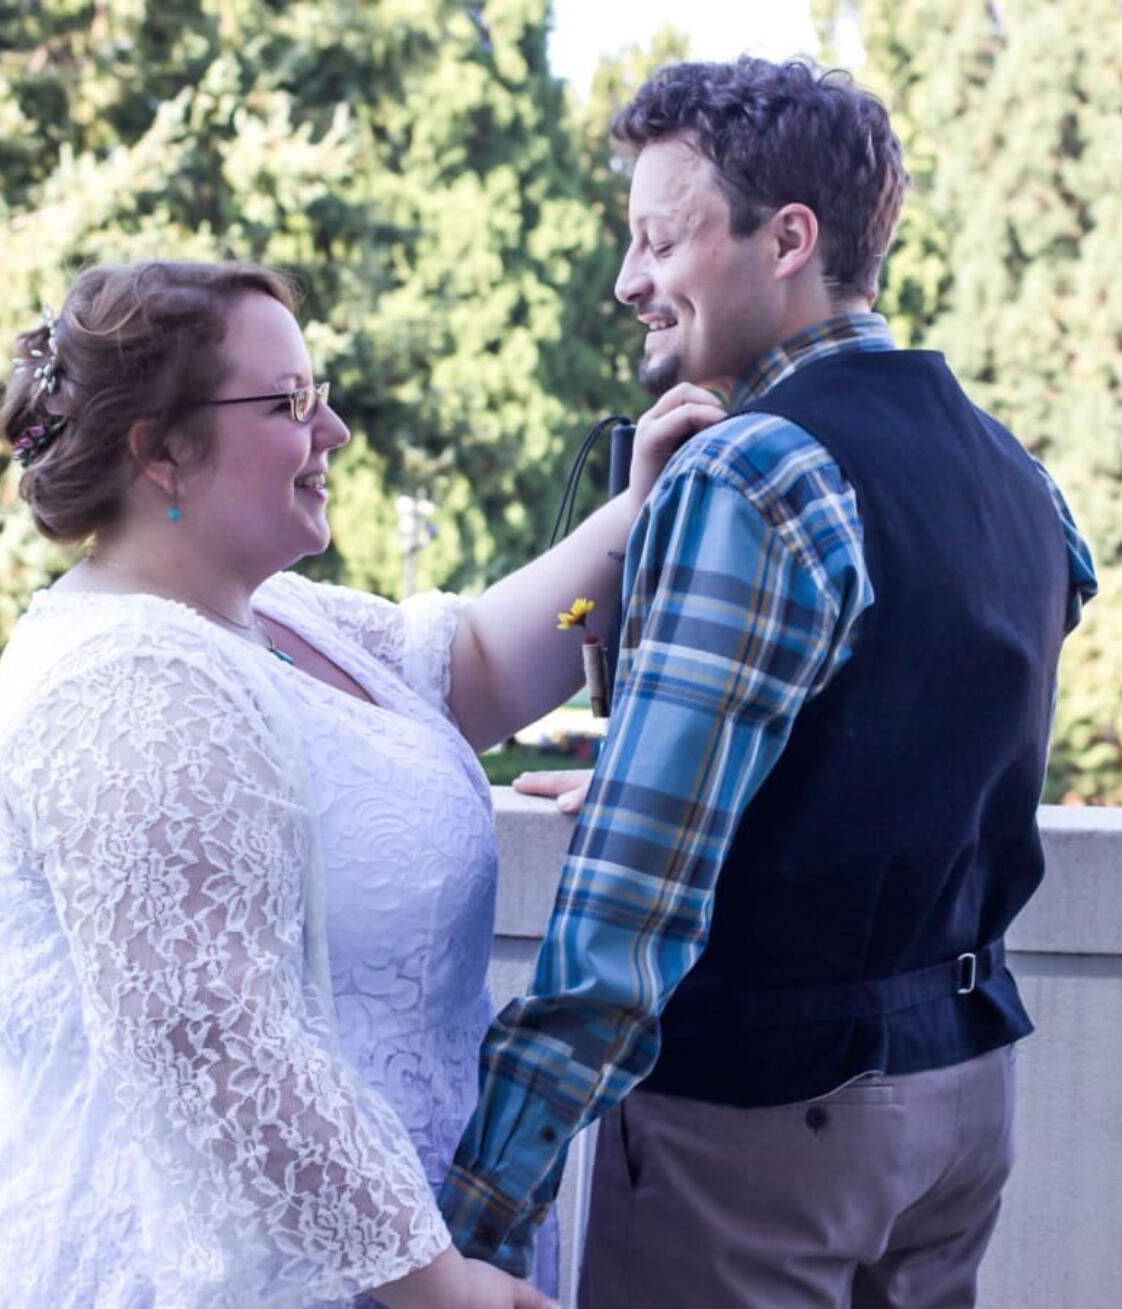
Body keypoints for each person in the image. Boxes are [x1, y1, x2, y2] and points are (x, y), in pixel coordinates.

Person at [0, 259, 720, 1308]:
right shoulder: (127, 691)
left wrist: (636, 510)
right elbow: (211, 1042)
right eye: (292, 402)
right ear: (161, 452)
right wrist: (437, 1285)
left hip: (388, 1260)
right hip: (199, 1273)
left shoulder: (278, 620)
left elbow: (477, 666)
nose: (333, 430)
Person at [440, 57, 1098, 1307]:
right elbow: (928, 730)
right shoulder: (1016, 474)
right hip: (959, 1109)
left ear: (785, 238)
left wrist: (480, 1212)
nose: (628, 282)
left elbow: (621, 921)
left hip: (760, 1133)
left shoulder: (749, 477)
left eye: (657, 239)